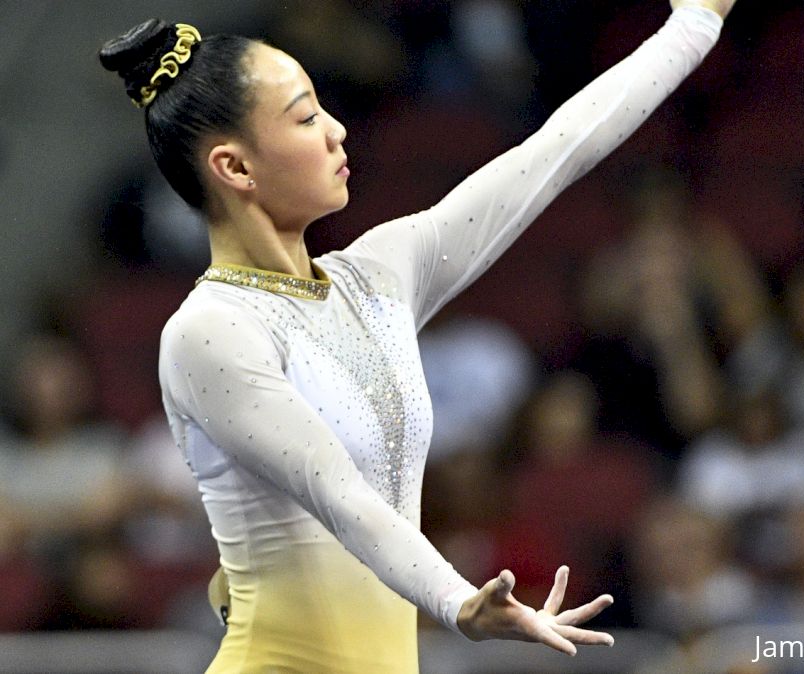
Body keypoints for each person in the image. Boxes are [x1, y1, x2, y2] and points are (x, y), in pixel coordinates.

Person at [97, 1, 736, 670]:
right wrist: (458, 601)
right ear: (234, 168)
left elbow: (556, 151)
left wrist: (692, 26)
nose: (338, 131)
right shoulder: (211, 332)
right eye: (306, 116)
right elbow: (340, 495)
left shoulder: (378, 273)